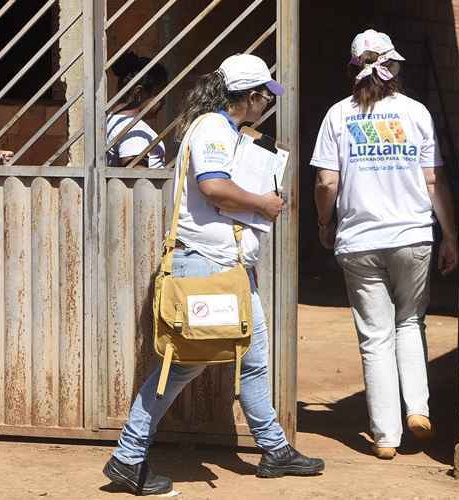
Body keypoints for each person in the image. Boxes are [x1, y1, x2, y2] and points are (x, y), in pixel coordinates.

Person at [103, 53, 325, 496]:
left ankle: (274, 449)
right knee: (184, 365)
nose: (267, 104)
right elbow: (214, 187)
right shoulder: (211, 130)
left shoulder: (225, 130)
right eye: (265, 96)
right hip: (208, 267)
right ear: (251, 96)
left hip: (228, 267)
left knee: (255, 360)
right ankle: (128, 457)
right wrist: (263, 203)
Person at [310, 29, 458, 460]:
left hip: (359, 239)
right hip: (412, 234)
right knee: (410, 322)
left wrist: (326, 221)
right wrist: (448, 234)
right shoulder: (416, 113)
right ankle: (418, 408)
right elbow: (433, 180)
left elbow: (325, 180)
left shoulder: (339, 115)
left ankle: (386, 436)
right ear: (391, 66)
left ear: (354, 69)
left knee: (375, 337)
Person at [106, 51, 168, 168]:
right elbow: (137, 180)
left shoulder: (111, 120)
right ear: (139, 93)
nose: (163, 102)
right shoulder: (134, 131)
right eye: (159, 94)